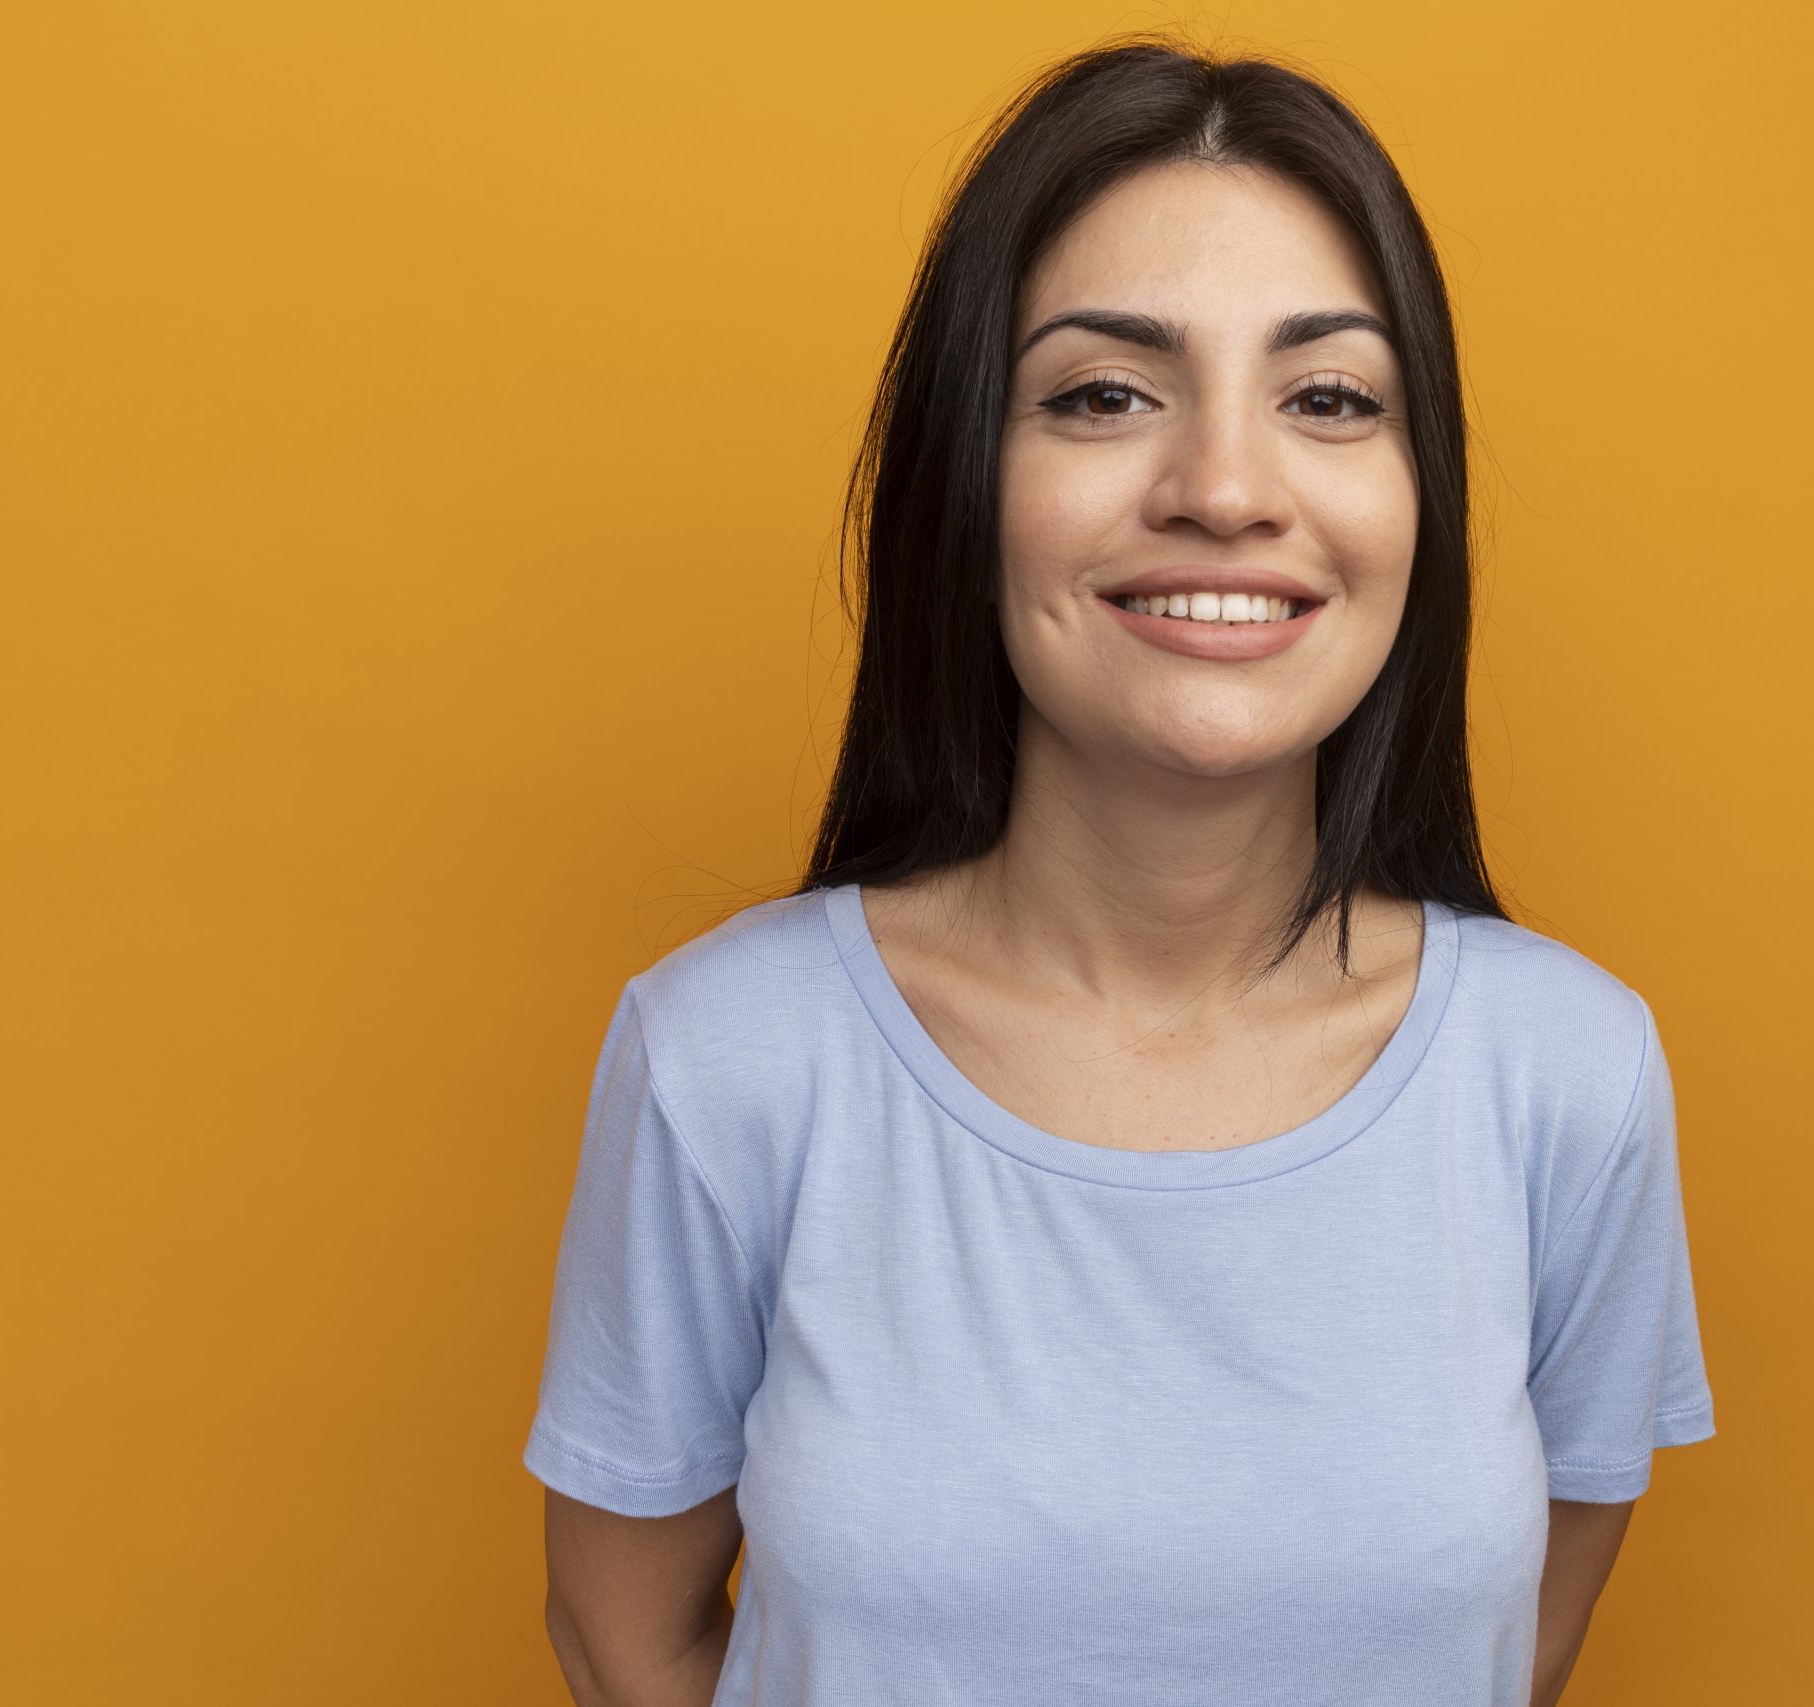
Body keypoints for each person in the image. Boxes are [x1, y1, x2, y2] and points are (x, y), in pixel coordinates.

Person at [523, 37, 1716, 1706]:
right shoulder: (725, 1060)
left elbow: (1518, 1652)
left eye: (1329, 399)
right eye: (1103, 393)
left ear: (1416, 497)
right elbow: (622, 1634)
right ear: (966, 482)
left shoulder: (1573, 1079)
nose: (1225, 490)